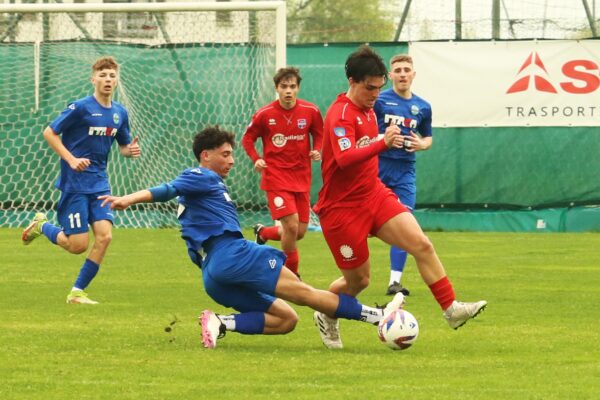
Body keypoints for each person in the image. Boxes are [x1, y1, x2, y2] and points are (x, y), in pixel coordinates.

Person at [99, 125, 404, 349]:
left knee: (286, 319)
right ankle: (380, 317)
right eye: (226, 154)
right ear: (206, 156)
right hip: (232, 254)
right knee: (305, 293)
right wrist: (129, 199)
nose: (232, 160)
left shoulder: (207, 187)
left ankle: (220, 323)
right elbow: (167, 189)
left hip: (213, 276)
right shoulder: (201, 175)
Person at [312, 45, 486, 349]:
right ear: (352, 81)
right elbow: (344, 158)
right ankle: (326, 313)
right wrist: (383, 143)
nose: (376, 93)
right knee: (358, 281)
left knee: (422, 244)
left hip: (373, 195)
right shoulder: (340, 114)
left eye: (380, 87)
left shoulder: (369, 110)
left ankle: (451, 309)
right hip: (342, 209)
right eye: (370, 87)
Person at [21, 56, 140, 305]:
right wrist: (72, 159)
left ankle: (77, 292)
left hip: (100, 184)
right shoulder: (81, 107)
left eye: (112, 75)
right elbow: (49, 132)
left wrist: (131, 151)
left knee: (105, 237)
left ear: (116, 80)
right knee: (77, 245)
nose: (108, 79)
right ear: (93, 79)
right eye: (103, 75)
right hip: (74, 184)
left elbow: (123, 147)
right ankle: (42, 226)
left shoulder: (120, 113)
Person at [242, 67, 323, 277]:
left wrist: (317, 149)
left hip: (301, 177)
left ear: (298, 88)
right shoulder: (264, 114)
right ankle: (290, 274)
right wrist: (257, 158)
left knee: (299, 232)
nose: (288, 91)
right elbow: (248, 139)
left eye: (292, 86)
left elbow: (319, 133)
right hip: (275, 178)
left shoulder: (311, 111)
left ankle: (263, 232)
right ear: (277, 88)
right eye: (284, 86)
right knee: (291, 225)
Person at [374, 54, 433, 297]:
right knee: (365, 223)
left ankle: (394, 282)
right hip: (378, 166)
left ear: (413, 74)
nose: (402, 74)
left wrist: (421, 144)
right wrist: (384, 139)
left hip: (405, 171)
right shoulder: (379, 101)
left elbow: (428, 138)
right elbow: (365, 132)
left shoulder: (423, 106)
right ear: (390, 75)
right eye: (397, 70)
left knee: (404, 222)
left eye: (406, 69)